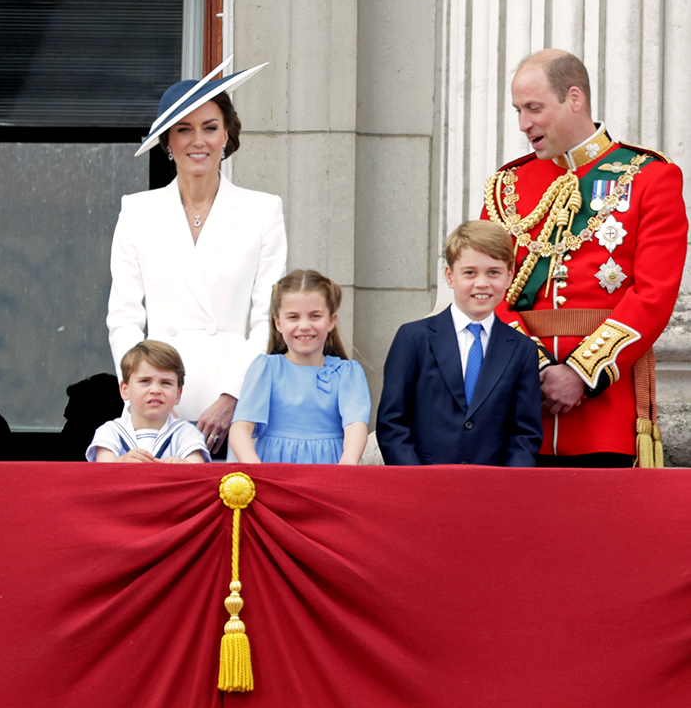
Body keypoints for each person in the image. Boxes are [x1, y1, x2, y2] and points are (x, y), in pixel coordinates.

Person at [480, 49, 687, 467]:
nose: (523, 124)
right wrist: (535, 368)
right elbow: (485, 289)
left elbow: (653, 296)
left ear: (574, 98)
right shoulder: (507, 186)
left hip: (604, 412)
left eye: (534, 108)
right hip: (523, 409)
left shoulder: (649, 177)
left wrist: (581, 373)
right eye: (519, 111)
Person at [107, 60, 288, 456]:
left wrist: (234, 395)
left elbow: (267, 319)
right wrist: (146, 389)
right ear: (167, 141)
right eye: (184, 129)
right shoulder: (137, 211)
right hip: (155, 402)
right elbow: (123, 316)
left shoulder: (262, 210)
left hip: (234, 404)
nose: (198, 141)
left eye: (209, 127)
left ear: (227, 135)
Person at [376, 221, 543, 466]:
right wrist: (416, 479)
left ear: (509, 277)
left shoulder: (522, 349)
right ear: (450, 276)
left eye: (493, 272)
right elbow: (392, 423)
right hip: (425, 480)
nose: (482, 283)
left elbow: (524, 434)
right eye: (470, 273)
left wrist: (507, 482)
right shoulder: (414, 338)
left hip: (492, 483)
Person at [229, 269, 371, 464]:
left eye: (315, 316)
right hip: (274, 469)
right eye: (293, 317)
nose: (304, 325)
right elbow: (241, 428)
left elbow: (356, 425)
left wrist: (347, 464)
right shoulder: (266, 369)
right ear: (278, 323)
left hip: (331, 470)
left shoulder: (348, 373)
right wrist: (255, 468)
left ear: (331, 321)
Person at [86, 340, 210, 463]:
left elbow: (197, 469)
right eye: (145, 381)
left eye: (165, 383)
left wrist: (182, 467)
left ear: (178, 394)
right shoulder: (110, 432)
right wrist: (122, 463)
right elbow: (104, 469)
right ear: (125, 390)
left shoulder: (186, 433)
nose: (155, 390)